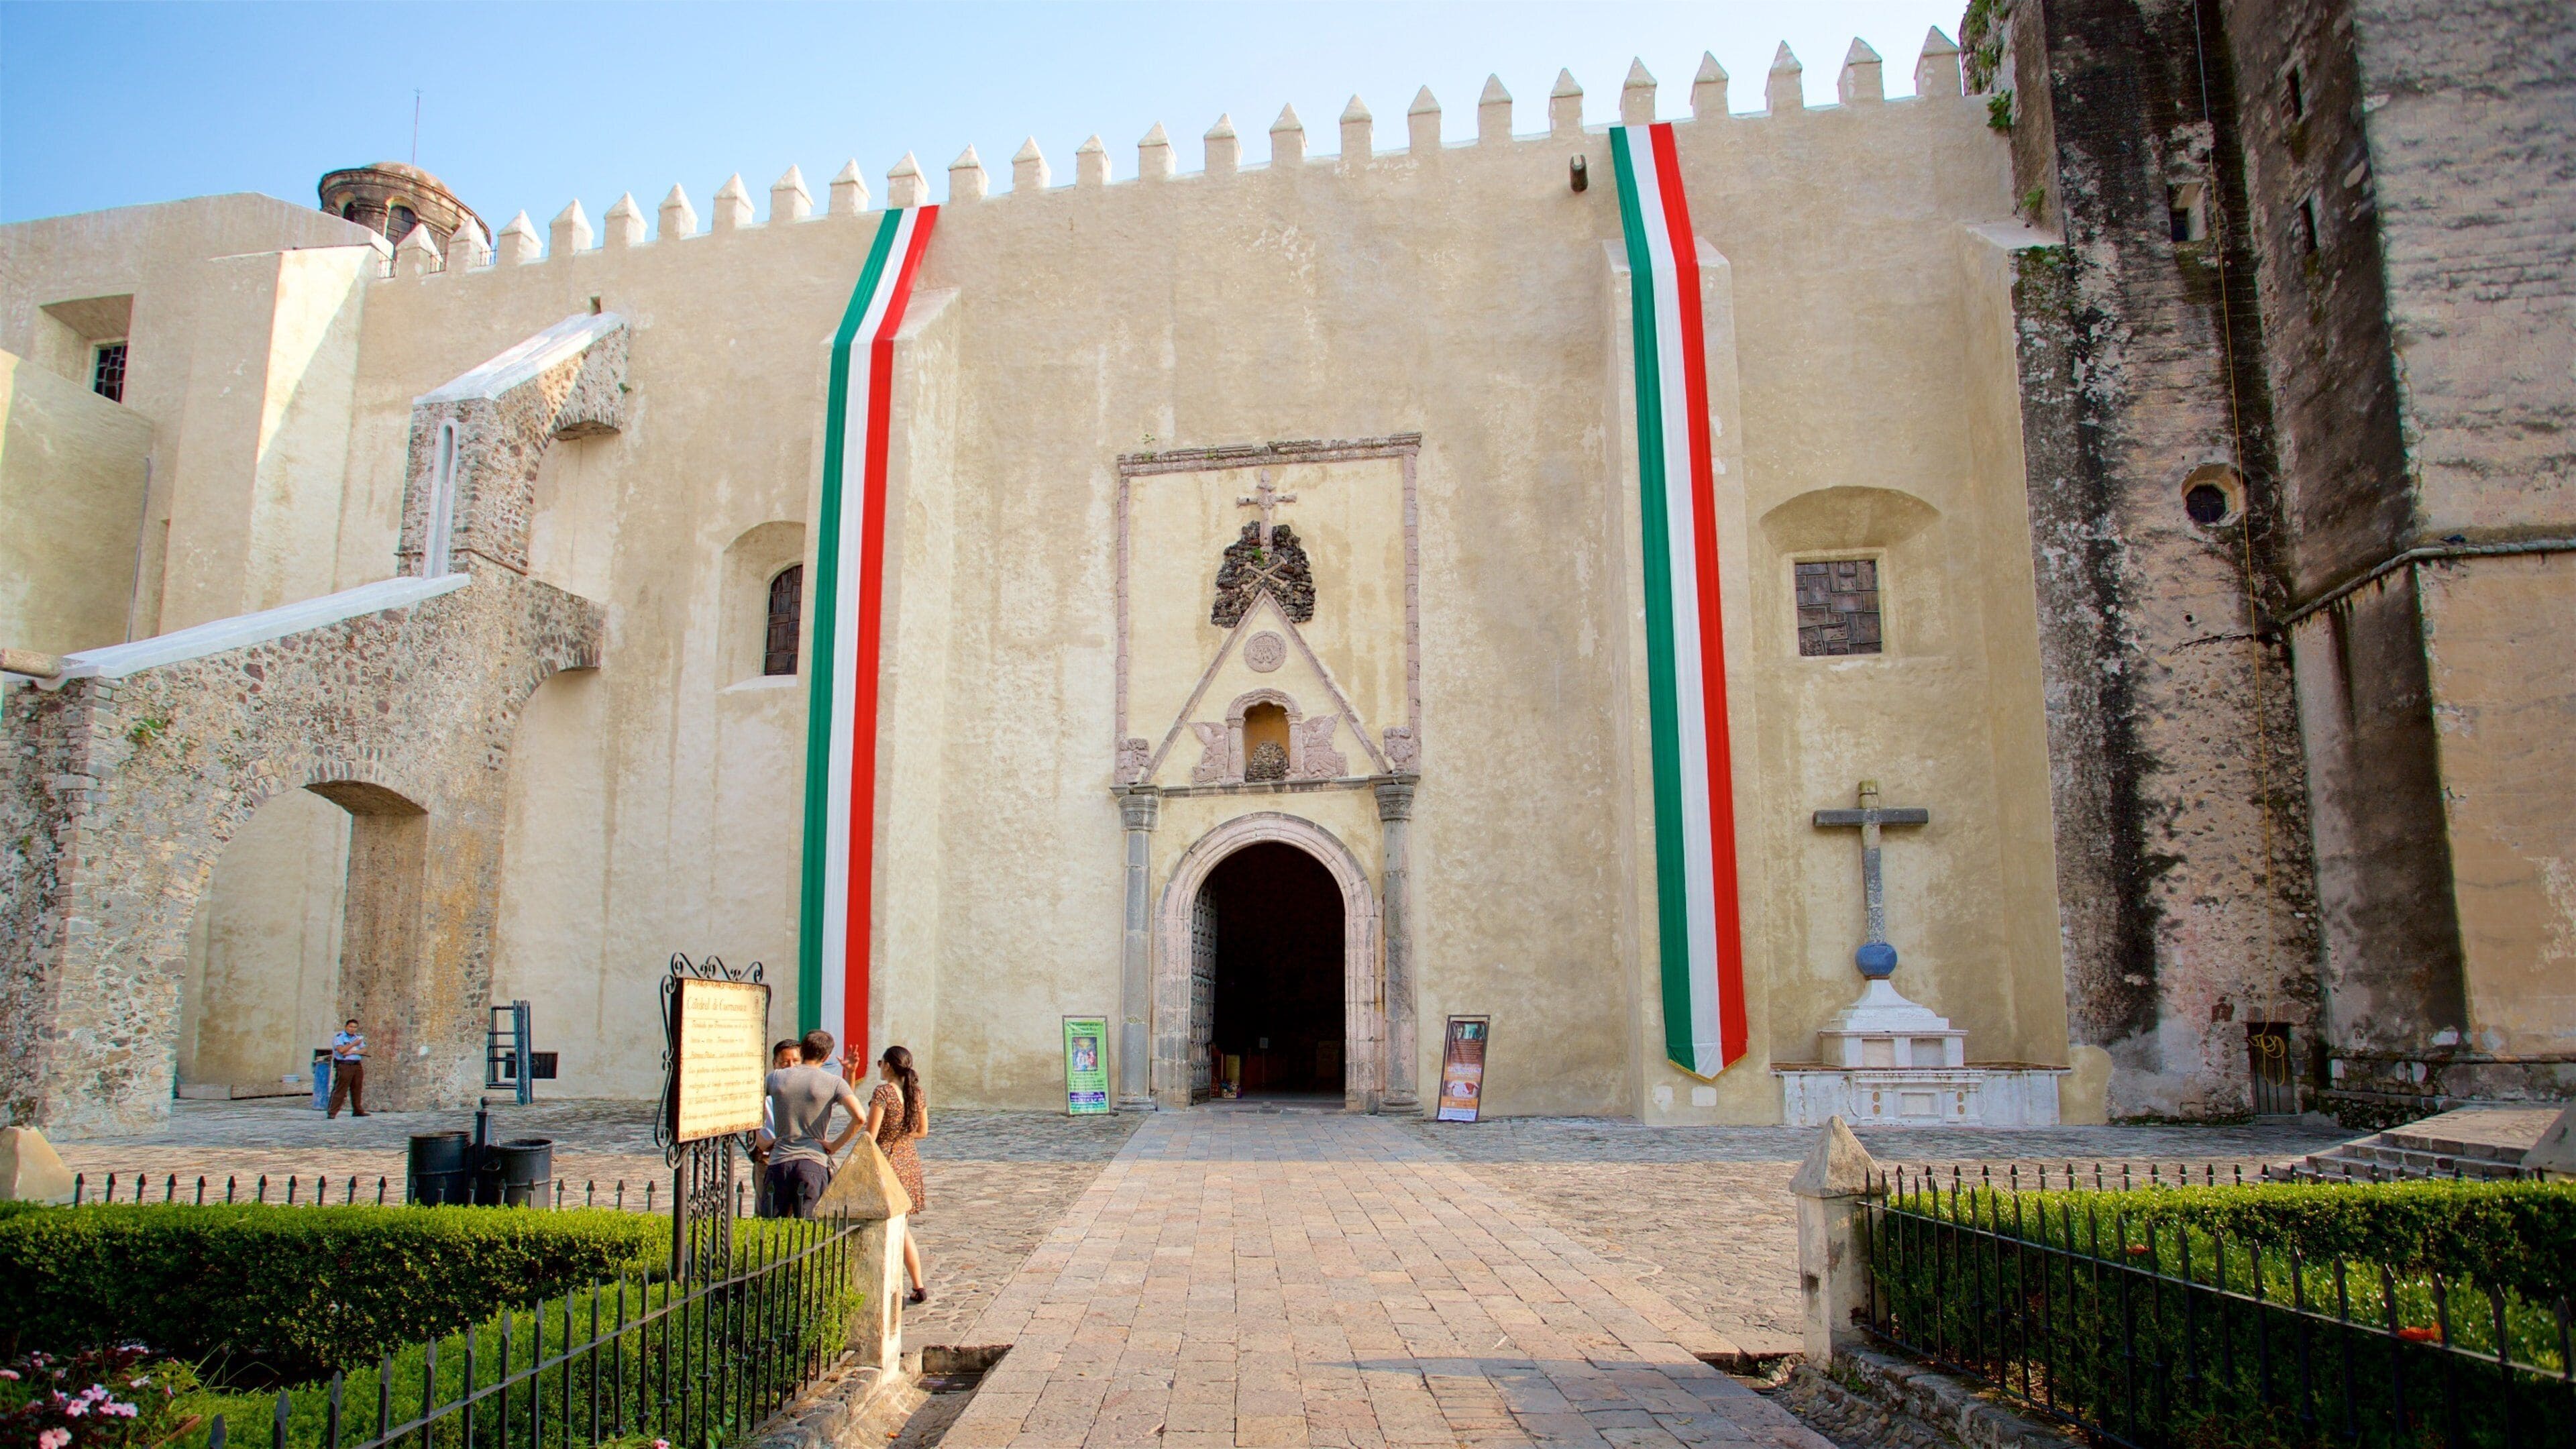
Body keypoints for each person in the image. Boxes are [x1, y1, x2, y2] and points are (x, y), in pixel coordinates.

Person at [761, 1030, 865, 1220]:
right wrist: (834, 1145)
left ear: (802, 1051)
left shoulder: (776, 1078)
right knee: (810, 1231)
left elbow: (745, 1104)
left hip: (780, 1161)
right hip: (813, 1162)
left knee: (772, 1229)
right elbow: (859, 1117)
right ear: (826, 1057)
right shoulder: (833, 1082)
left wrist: (760, 1140)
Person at [865, 1044, 931, 1305]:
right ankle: (917, 1284)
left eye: (881, 1062)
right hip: (909, 1161)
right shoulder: (917, 1093)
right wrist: (903, 1137)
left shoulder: (883, 1093)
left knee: (892, 1228)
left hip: (888, 1161)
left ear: (889, 1066)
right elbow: (923, 1131)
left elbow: (871, 1133)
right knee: (901, 1227)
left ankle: (899, 1283)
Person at [327, 1018, 368, 1118]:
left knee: (357, 1088)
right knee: (341, 1089)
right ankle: (332, 1112)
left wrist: (353, 1052)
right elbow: (341, 1050)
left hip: (356, 1064)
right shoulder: (340, 1037)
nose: (352, 1029)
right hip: (345, 1065)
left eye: (355, 1027)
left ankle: (357, 1110)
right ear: (346, 1027)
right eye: (351, 1027)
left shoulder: (358, 1038)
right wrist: (354, 1045)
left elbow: (364, 1050)